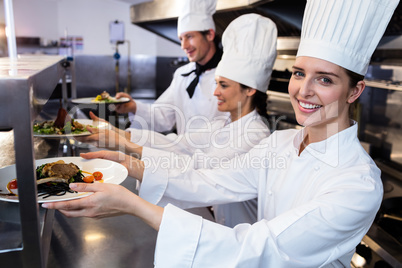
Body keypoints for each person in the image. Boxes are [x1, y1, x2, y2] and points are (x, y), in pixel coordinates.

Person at [43, 0, 400, 266]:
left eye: (324, 79)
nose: (303, 90)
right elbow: (210, 179)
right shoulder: (281, 143)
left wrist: (135, 206)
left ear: (355, 91)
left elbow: (261, 248)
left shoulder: (357, 184)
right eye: (298, 73)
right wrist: (129, 161)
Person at [79, 14, 277, 227]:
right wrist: (120, 136)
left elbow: (198, 169)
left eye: (224, 86)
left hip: (243, 242)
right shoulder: (223, 124)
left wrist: (126, 154)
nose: (215, 92)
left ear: (249, 89)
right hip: (217, 223)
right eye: (217, 83)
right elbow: (178, 144)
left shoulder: (254, 135)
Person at [114, 0, 227, 137]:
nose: (184, 46)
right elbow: (162, 115)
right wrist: (132, 106)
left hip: (220, 156)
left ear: (209, 34)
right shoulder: (182, 74)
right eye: (181, 39)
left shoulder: (229, 75)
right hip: (185, 156)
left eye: (189, 37)